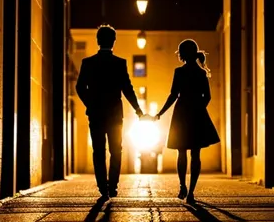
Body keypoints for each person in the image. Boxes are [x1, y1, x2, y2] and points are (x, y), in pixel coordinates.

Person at [75, 24, 144, 198]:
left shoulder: (88, 63)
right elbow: (127, 89)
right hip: (115, 115)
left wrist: (90, 103)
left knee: (98, 150)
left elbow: (80, 87)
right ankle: (112, 185)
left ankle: (102, 187)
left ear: (97, 40)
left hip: (95, 113)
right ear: (114, 41)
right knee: (116, 150)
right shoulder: (119, 63)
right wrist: (138, 110)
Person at [155, 39, 219, 204]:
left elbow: (173, 95)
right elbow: (208, 96)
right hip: (197, 113)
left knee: (181, 151)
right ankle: (191, 192)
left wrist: (160, 113)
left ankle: (182, 185)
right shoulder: (201, 73)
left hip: (181, 113)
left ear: (182, 54)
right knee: (196, 154)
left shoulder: (179, 72)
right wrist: (199, 108)